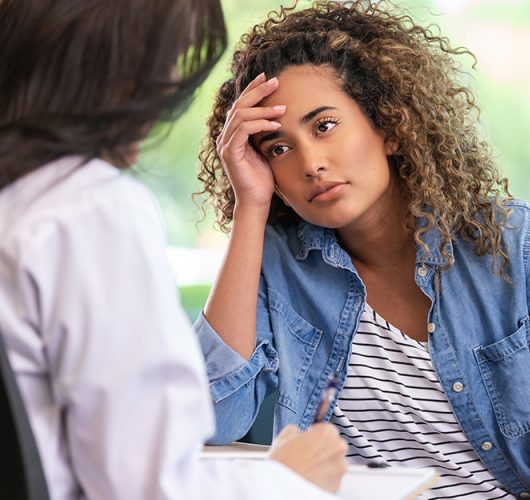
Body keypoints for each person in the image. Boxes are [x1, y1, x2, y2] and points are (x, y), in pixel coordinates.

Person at [195, 1, 530, 499]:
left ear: (387, 125)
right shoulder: (276, 261)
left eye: (323, 126)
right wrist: (249, 209)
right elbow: (209, 420)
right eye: (279, 148)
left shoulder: (515, 243)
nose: (310, 163)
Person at [0, 1, 348, 499]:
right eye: (168, 62)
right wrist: (287, 480)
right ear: (120, 68)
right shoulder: (87, 210)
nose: (167, 94)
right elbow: (148, 484)